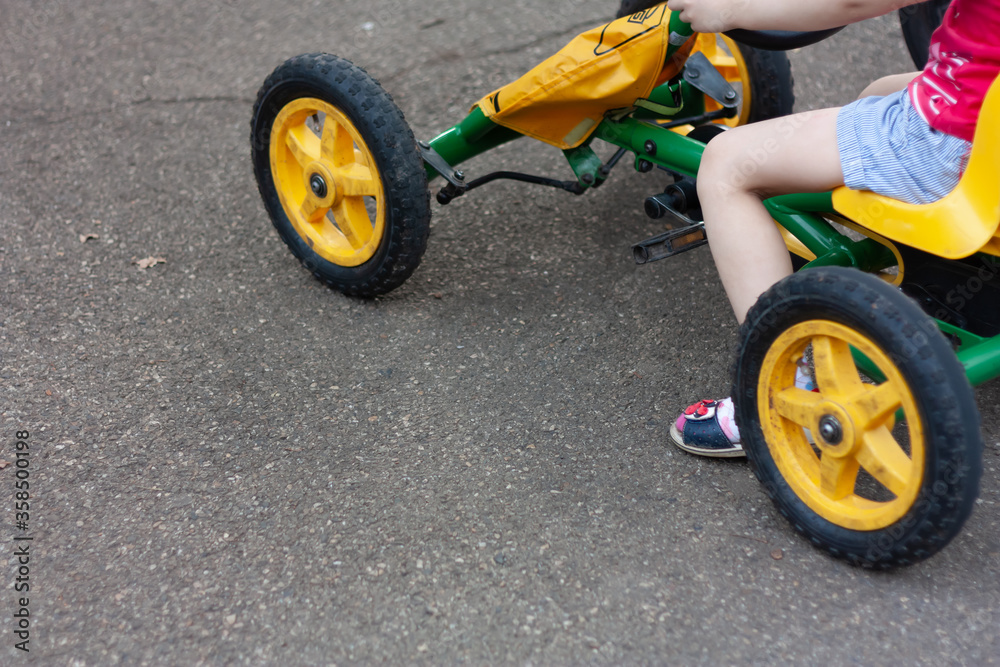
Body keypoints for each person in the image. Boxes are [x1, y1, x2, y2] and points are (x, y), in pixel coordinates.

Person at [665, 0, 1000, 457]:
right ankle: (944, 270)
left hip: (954, 144)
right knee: (879, 91)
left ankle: (779, 385)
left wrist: (731, 10)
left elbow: (851, 2)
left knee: (725, 166)